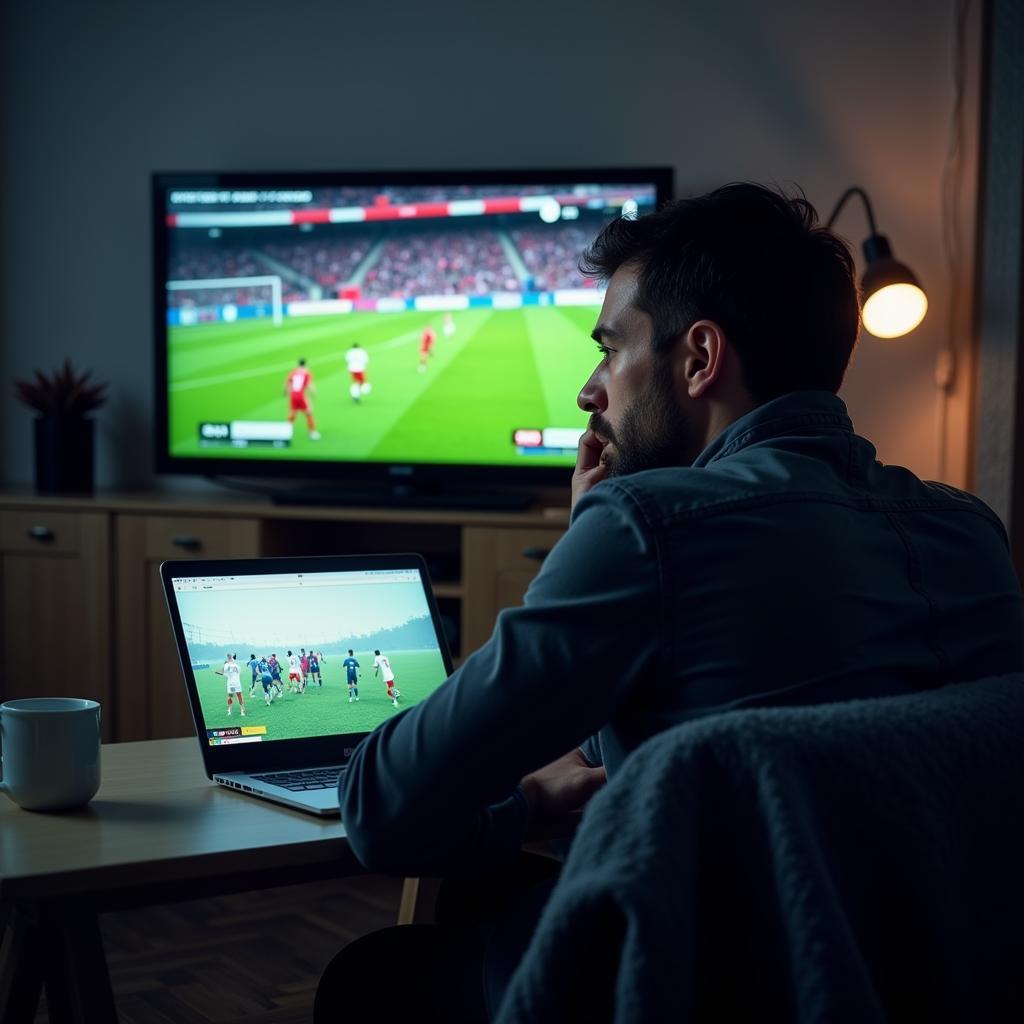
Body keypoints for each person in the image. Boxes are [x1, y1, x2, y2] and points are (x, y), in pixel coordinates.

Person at [316, 183, 1024, 1022]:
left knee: (372, 977)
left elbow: (381, 807)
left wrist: (530, 799)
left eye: (611, 350)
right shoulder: (972, 533)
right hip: (933, 979)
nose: (589, 390)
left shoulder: (647, 529)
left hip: (716, 978)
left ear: (698, 358)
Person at [285, 358, 321, 439]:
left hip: (293, 395)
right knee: (309, 413)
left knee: (293, 413)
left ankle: (286, 431)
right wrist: (312, 394)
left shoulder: (293, 372)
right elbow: (309, 385)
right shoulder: (306, 373)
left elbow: (288, 384)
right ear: (306, 364)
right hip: (301, 395)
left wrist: (286, 392)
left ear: (298, 364)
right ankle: (312, 433)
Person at [213, 653, 245, 717]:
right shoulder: (227, 670)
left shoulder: (236, 666)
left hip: (237, 684)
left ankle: (242, 710)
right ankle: (229, 710)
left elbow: (223, 671)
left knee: (239, 697)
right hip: (231, 685)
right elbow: (223, 671)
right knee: (230, 697)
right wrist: (218, 672)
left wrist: (218, 672)